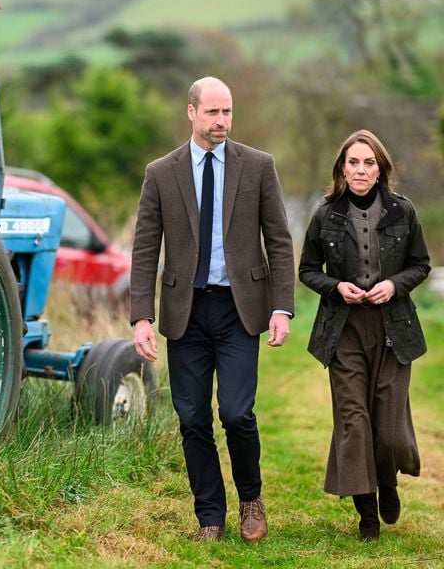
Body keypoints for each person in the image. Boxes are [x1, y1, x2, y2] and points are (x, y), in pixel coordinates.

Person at [130, 76, 295, 543]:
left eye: (227, 112)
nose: (221, 121)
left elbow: (279, 242)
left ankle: (251, 500)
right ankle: (210, 516)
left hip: (240, 309)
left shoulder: (258, 166)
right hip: (185, 312)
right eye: (212, 112)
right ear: (191, 113)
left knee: (237, 412)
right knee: (192, 417)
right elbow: (145, 248)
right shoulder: (160, 173)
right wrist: (142, 316)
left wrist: (281, 306)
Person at [298, 129, 430, 541]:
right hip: (343, 330)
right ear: (342, 168)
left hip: (395, 330)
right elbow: (307, 271)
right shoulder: (325, 215)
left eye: (368, 162)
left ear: (380, 169)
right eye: (353, 162)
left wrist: (395, 285)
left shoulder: (403, 213)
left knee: (387, 428)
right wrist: (336, 287)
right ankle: (367, 515)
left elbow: (420, 264)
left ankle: (388, 483)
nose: (360, 169)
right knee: (354, 422)